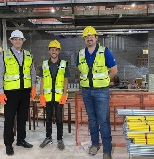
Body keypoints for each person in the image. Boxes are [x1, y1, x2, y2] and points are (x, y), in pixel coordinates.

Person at [76, 26, 117, 159]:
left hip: (101, 92)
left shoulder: (105, 52)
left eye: (91, 36)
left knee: (103, 121)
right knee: (92, 120)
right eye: (86, 36)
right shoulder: (81, 53)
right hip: (86, 91)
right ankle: (95, 144)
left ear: (96, 37)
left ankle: (107, 150)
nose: (89, 38)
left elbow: (114, 70)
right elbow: (79, 71)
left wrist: (104, 82)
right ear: (84, 39)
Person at [0, 30, 36, 156]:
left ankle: (21, 140)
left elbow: (32, 72)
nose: (18, 41)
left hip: (25, 92)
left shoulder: (28, 55)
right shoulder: (4, 55)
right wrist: (0, 92)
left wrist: (33, 86)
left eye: (20, 39)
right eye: (15, 39)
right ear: (11, 41)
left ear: (23, 41)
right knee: (9, 118)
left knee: (23, 117)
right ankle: (8, 144)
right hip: (10, 92)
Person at [39, 39, 70, 150]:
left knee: (59, 119)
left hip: (58, 97)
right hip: (47, 98)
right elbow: (42, 81)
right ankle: (48, 138)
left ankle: (59, 139)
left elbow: (66, 80)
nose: (54, 51)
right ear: (49, 51)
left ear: (58, 51)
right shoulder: (44, 64)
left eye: (56, 50)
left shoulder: (63, 64)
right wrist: (41, 95)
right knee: (47, 119)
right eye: (52, 49)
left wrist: (64, 95)